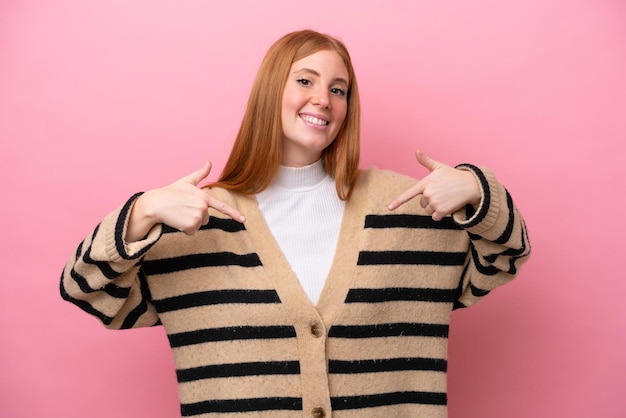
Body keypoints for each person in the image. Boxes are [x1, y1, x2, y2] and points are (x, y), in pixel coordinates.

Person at [60, 29, 531, 418]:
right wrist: (141, 212)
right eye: (305, 81)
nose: (323, 99)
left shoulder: (405, 207)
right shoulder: (198, 222)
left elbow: (502, 260)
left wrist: (476, 190)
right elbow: (90, 292)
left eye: (338, 89)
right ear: (271, 91)